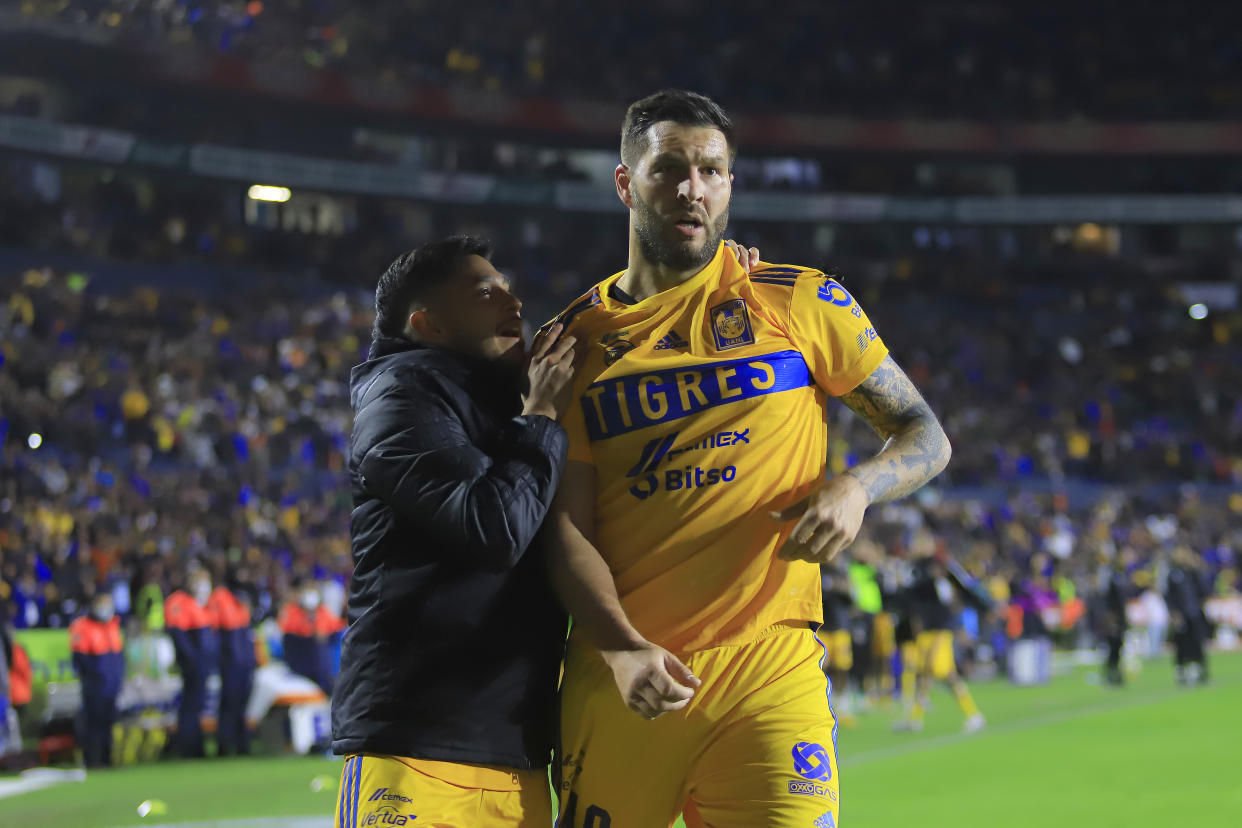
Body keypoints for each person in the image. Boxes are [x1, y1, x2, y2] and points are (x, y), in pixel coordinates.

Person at [546, 89, 952, 828]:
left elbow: (925, 432)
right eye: (669, 168)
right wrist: (621, 648)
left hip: (771, 668)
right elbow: (563, 530)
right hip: (627, 675)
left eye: (711, 170)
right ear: (625, 182)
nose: (691, 189)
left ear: (730, 184)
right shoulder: (572, 345)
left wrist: (858, 487)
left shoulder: (802, 302)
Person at [329, 236, 581, 828]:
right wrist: (541, 418)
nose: (514, 302)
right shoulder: (398, 398)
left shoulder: (499, 398)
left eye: (510, 287)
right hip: (416, 746)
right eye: (486, 292)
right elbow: (494, 528)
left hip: (512, 749)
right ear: (428, 324)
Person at [891, 547, 985, 733]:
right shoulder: (929, 584)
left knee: (938, 674)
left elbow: (944, 609)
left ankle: (973, 715)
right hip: (929, 633)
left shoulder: (941, 585)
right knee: (932, 675)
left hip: (939, 634)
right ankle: (917, 719)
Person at [165, 569, 217, 758]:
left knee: (198, 705)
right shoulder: (178, 601)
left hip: (203, 662)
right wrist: (192, 659)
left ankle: (196, 745)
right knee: (190, 704)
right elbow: (179, 635)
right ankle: (188, 747)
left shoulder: (202, 603)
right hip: (192, 662)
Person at [69, 593, 124, 767]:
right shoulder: (82, 626)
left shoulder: (112, 626)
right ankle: (93, 760)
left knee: (108, 723)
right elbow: (80, 659)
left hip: (111, 686)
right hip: (95, 685)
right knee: (93, 724)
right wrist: (96, 677)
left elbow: (118, 658)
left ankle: (107, 759)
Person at [208, 575, 256, 755]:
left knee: (241, 704)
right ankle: (226, 745)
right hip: (232, 661)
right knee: (230, 703)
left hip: (242, 661)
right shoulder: (222, 598)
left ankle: (240, 744)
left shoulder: (240, 606)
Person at [278, 580, 345, 695]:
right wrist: (312, 628)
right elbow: (288, 631)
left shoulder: (323, 611)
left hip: (320, 660)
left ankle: (330, 684)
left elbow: (337, 626)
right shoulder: (292, 611)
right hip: (299, 655)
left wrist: (322, 632)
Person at [1166, 546, 1210, 685]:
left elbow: (1204, 590)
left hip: (1195, 613)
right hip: (1182, 615)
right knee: (1182, 643)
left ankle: (1199, 669)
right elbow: (1169, 596)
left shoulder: (1191, 573)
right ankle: (1181, 670)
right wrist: (1174, 613)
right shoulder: (1172, 574)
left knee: (1197, 642)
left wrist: (1198, 568)